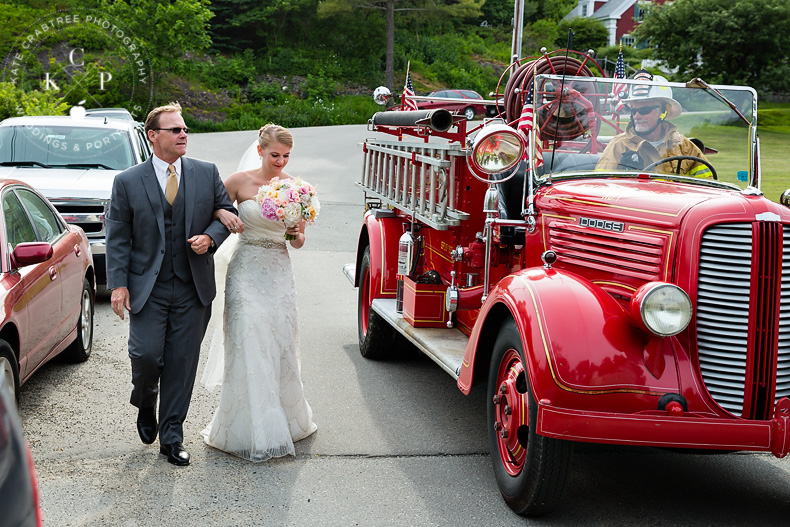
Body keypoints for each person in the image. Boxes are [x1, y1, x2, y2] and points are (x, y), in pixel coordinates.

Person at [105, 102, 236, 466]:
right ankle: (146, 402)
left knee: (181, 363)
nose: (183, 135)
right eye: (175, 130)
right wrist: (118, 284)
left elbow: (227, 214)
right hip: (149, 286)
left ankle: (172, 436)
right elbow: (117, 237)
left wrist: (210, 237)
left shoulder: (205, 173)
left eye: (185, 130)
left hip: (193, 287)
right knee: (145, 356)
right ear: (153, 135)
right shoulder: (128, 181)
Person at [200, 123, 317, 462]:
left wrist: (296, 231)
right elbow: (210, 209)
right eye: (274, 154)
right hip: (246, 268)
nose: (280, 161)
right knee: (249, 337)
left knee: (279, 343)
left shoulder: (297, 189)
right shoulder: (239, 182)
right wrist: (223, 211)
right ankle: (247, 426)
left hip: (279, 272)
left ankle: (284, 420)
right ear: (261, 150)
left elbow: (298, 243)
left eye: (286, 156)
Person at [596, 72, 712, 178]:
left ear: (664, 111)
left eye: (644, 110)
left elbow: (708, 187)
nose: (636, 116)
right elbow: (601, 188)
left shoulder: (684, 147)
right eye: (633, 111)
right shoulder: (618, 146)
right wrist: (627, 177)